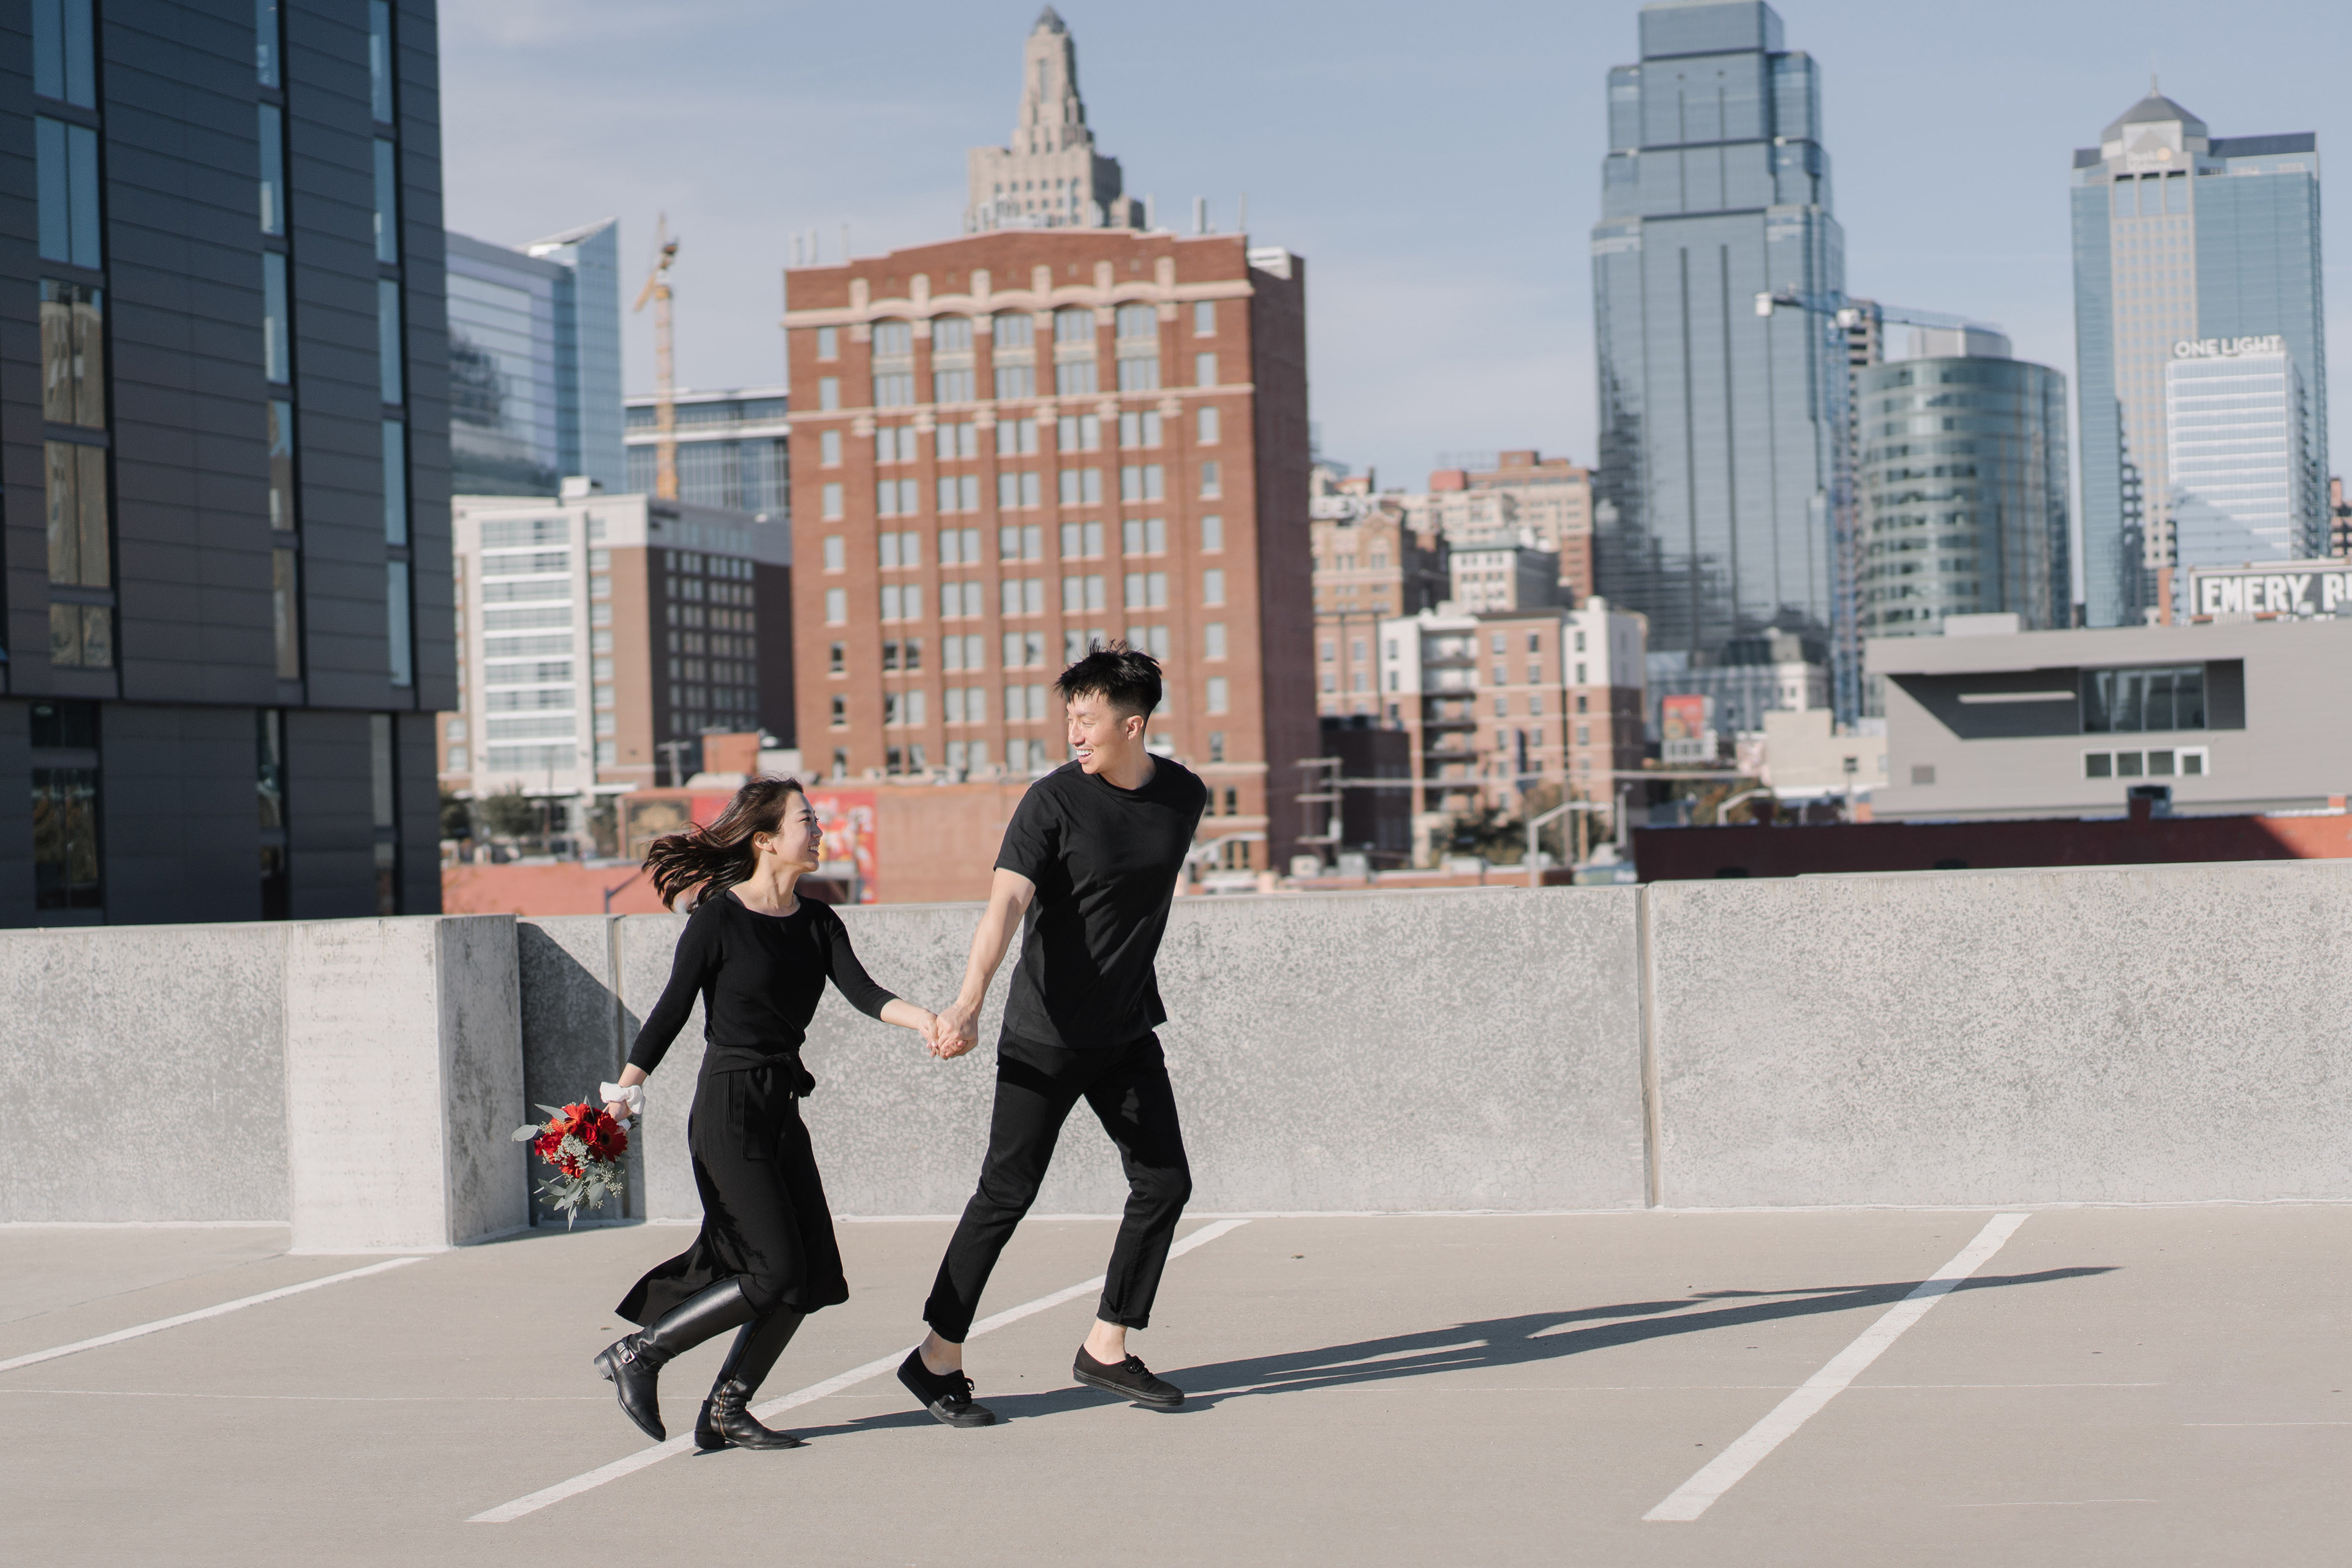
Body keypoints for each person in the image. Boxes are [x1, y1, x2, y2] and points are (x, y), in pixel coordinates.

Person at [897, 644, 1208, 1428]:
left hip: (1126, 1028)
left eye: (1088, 718)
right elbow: (1005, 904)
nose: (1074, 732)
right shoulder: (1052, 801)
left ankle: (1106, 1345)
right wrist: (968, 1002)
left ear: (1132, 725)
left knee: (1165, 1182)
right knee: (1006, 1193)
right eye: (1069, 716)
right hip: (1044, 1032)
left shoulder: (1184, 795)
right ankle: (936, 1356)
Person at [594, 777, 937, 1453]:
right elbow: (669, 1011)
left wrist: (925, 1019)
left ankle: (727, 1408)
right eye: (807, 820)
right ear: (766, 839)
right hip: (728, 1109)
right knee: (772, 1270)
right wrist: (621, 1096)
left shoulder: (818, 922)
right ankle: (641, 1353)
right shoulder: (718, 919)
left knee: (808, 1272)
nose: (819, 830)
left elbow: (865, 992)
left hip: (780, 1109)